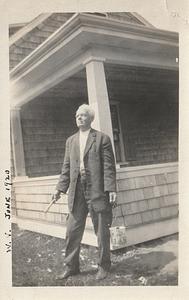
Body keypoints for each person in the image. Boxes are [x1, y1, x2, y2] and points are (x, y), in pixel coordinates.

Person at [52, 104, 117, 280]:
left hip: (97, 190)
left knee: (101, 231)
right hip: (76, 192)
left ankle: (104, 266)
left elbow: (109, 167)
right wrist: (60, 188)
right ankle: (71, 266)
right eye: (77, 115)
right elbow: (66, 167)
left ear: (91, 118)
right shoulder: (71, 141)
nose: (79, 118)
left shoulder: (102, 139)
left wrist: (111, 188)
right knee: (72, 230)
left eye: (83, 115)